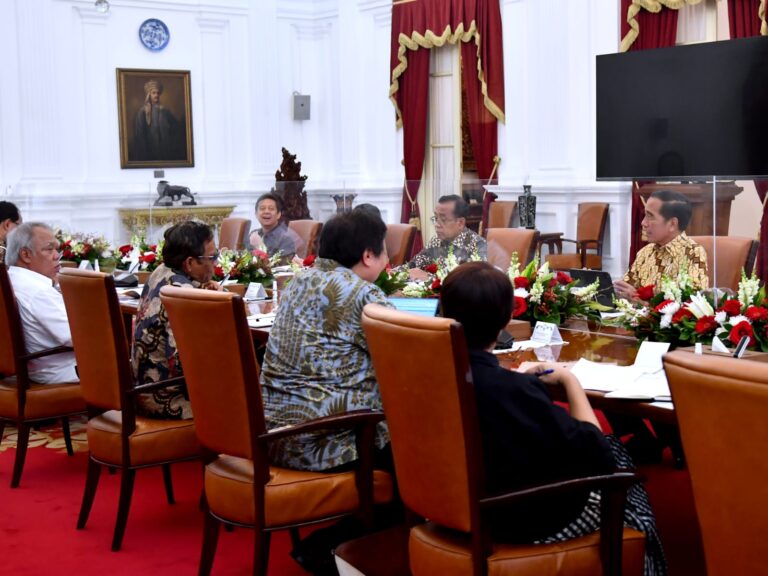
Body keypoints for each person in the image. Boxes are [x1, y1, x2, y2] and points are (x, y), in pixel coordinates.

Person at [440, 262, 667, 576]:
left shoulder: (434, 371)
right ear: (507, 318)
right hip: (516, 519)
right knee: (619, 463)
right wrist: (570, 383)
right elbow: (597, 455)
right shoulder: (512, 390)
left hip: (448, 508)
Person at [261, 210, 393, 472]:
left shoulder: (298, 281)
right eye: (385, 252)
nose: (388, 260)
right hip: (329, 447)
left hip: (273, 437)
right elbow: (404, 362)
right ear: (368, 255)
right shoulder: (364, 294)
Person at [132, 221, 222, 419]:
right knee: (245, 395)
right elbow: (185, 363)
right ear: (189, 263)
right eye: (212, 257)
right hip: (165, 397)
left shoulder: (161, 271)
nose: (216, 263)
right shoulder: (183, 295)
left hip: (142, 389)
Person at [5, 223, 78, 384]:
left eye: (56, 249)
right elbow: (78, 337)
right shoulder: (38, 291)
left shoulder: (12, 279)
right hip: (62, 372)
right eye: (49, 249)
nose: (56, 256)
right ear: (25, 255)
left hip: (33, 369)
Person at [614, 190, 708, 301]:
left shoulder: (693, 253)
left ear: (672, 224)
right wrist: (619, 292)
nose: (643, 223)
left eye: (650, 216)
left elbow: (691, 305)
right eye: (645, 215)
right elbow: (627, 289)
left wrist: (639, 301)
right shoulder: (646, 252)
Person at [407, 194, 487, 270]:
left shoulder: (478, 246)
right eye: (436, 218)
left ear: (460, 223)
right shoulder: (436, 241)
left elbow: (473, 281)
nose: (436, 224)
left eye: (443, 219)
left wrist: (429, 277)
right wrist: (396, 273)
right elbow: (412, 265)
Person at [130, 79, 186, 162]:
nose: (156, 95)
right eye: (154, 93)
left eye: (158, 93)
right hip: (149, 155)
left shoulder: (165, 112)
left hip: (166, 154)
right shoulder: (142, 112)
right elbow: (140, 137)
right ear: (148, 94)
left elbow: (176, 130)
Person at [247, 192, 301, 262]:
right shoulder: (254, 234)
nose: (266, 211)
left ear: (278, 214)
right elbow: (245, 260)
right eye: (262, 208)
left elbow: (278, 266)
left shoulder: (286, 239)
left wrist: (259, 247)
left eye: (271, 209)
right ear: (256, 214)